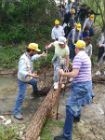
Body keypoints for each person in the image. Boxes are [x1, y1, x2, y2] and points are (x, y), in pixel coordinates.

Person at [54, 40, 94, 140]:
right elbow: (79, 69)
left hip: (81, 86)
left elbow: (74, 74)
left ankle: (66, 136)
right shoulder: (85, 56)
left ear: (76, 48)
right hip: (87, 84)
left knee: (69, 108)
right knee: (78, 101)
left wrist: (62, 73)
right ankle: (77, 117)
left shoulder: (78, 57)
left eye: (75, 47)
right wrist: (71, 65)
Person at [14, 43, 47, 120]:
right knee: (21, 96)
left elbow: (33, 58)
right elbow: (21, 71)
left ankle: (36, 92)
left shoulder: (29, 56)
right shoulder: (23, 59)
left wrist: (40, 55)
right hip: (23, 80)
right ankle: (16, 113)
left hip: (29, 78)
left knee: (34, 82)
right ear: (31, 51)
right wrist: (32, 75)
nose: (36, 52)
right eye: (35, 51)